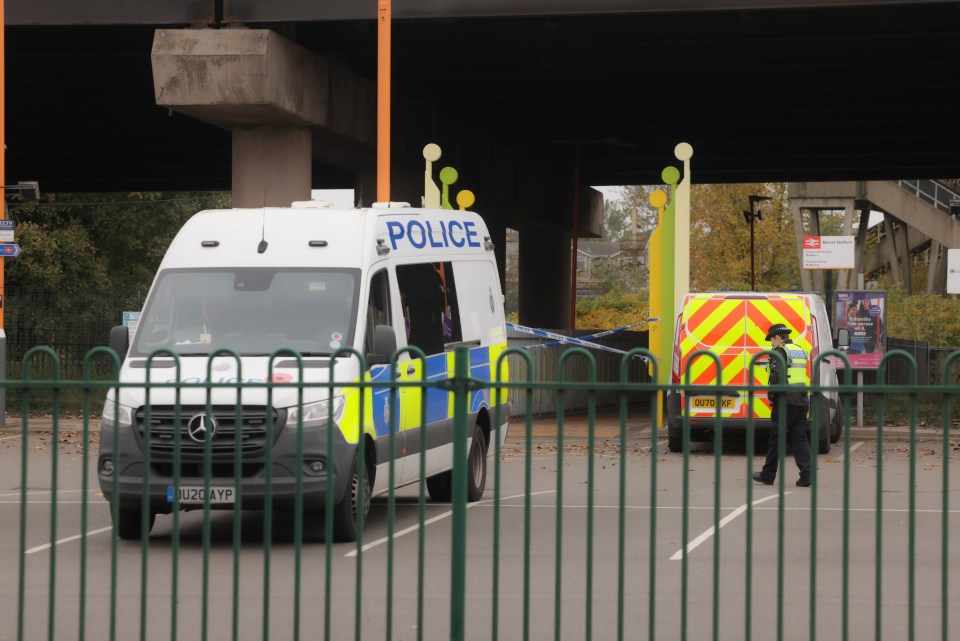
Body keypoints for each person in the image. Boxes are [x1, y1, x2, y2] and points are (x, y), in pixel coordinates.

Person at [753, 323, 812, 487]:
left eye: (772, 340)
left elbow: (777, 376)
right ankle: (806, 475)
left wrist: (771, 395)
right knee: (800, 438)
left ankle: (768, 475)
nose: (771, 343)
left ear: (778, 338)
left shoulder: (779, 352)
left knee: (776, 439)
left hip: (786, 400)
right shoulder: (798, 349)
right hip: (801, 399)